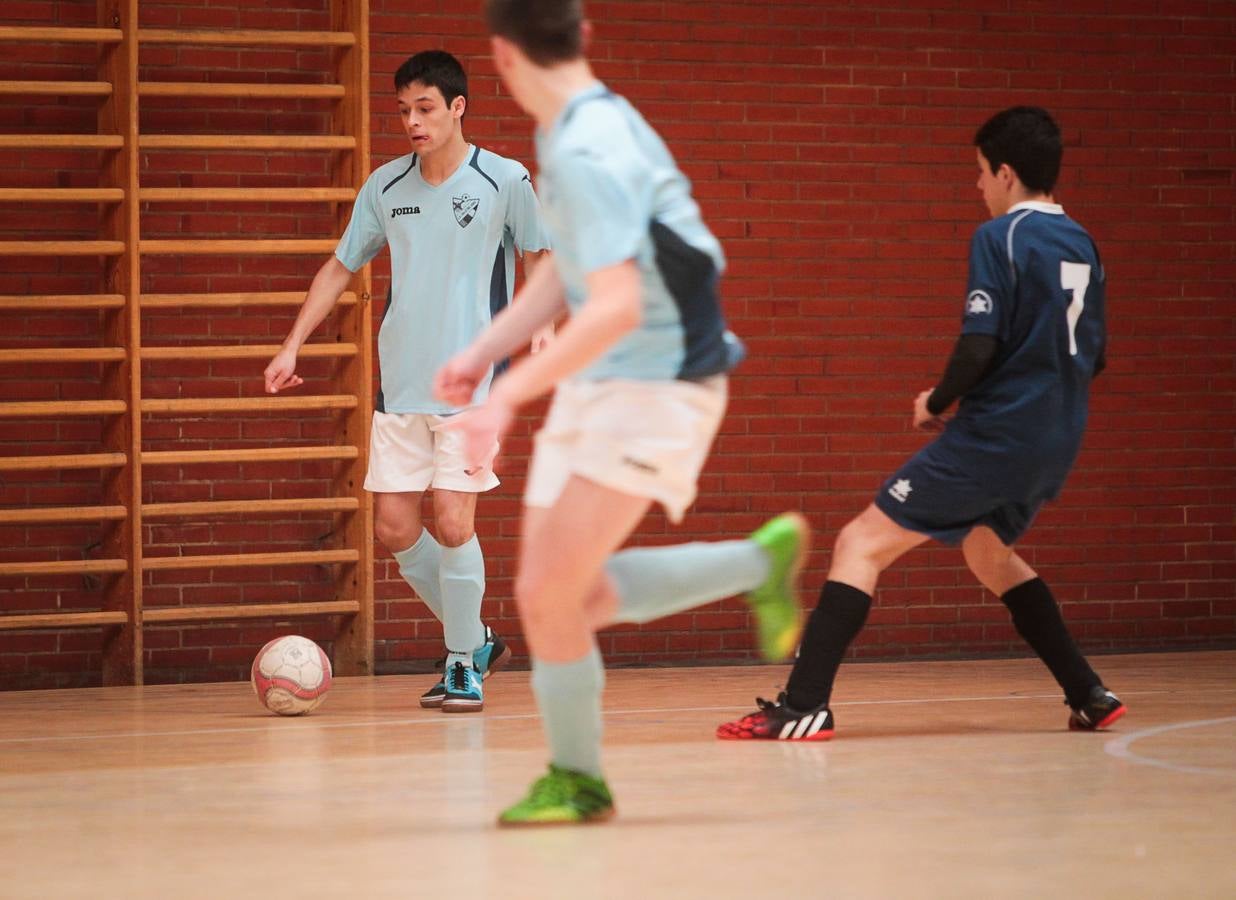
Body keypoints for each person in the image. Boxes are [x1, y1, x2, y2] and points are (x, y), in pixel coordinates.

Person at [433, 0, 810, 826]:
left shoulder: (583, 147)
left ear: (499, 57)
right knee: (556, 598)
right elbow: (570, 270)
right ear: (583, 36)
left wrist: (504, 399)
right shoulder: (589, 120)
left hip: (661, 384)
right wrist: (486, 349)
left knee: (553, 595)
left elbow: (617, 305)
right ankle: (756, 565)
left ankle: (580, 778)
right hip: (608, 377)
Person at [717, 106, 1125, 742]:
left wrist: (938, 402)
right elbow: (1092, 356)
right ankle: (1090, 694)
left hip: (999, 436)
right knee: (990, 553)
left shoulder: (1002, 237)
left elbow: (978, 344)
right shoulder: (1082, 241)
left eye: (982, 174)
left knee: (860, 542)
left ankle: (805, 704)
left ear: (1008, 173)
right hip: (1057, 439)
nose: (979, 186)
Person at [264, 50, 551, 713]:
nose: (412, 122)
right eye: (403, 111)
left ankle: (459, 666)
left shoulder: (505, 179)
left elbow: (538, 255)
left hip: (472, 385)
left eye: (425, 109)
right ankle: (474, 638)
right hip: (400, 385)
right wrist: (292, 343)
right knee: (395, 529)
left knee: (453, 522)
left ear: (457, 108)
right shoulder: (384, 188)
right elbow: (340, 268)